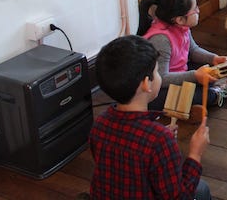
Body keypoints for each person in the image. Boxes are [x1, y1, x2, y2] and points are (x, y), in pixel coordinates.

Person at [89, 35, 212, 199]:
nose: (159, 76)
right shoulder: (159, 139)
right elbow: (178, 196)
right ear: (146, 83)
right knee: (201, 189)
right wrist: (195, 153)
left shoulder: (100, 124)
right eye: (157, 71)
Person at [138, 0, 227, 111]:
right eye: (194, 10)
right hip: (159, 86)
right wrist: (195, 76)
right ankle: (218, 91)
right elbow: (161, 78)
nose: (198, 11)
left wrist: (213, 59)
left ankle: (212, 84)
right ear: (180, 19)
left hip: (179, 71)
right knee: (199, 94)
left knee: (207, 71)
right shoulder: (161, 39)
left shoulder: (181, 27)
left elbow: (193, 50)